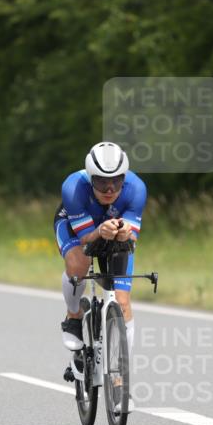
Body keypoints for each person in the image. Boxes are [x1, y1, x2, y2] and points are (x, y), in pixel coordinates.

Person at [54, 142, 146, 354]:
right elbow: (86, 238)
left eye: (116, 181)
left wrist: (126, 233)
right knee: (80, 263)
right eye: (101, 182)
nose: (109, 189)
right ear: (90, 177)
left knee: (122, 303)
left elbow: (132, 236)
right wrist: (99, 231)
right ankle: (73, 316)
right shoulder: (73, 187)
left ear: (125, 176)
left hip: (110, 228)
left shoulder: (137, 188)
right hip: (75, 226)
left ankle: (119, 376)